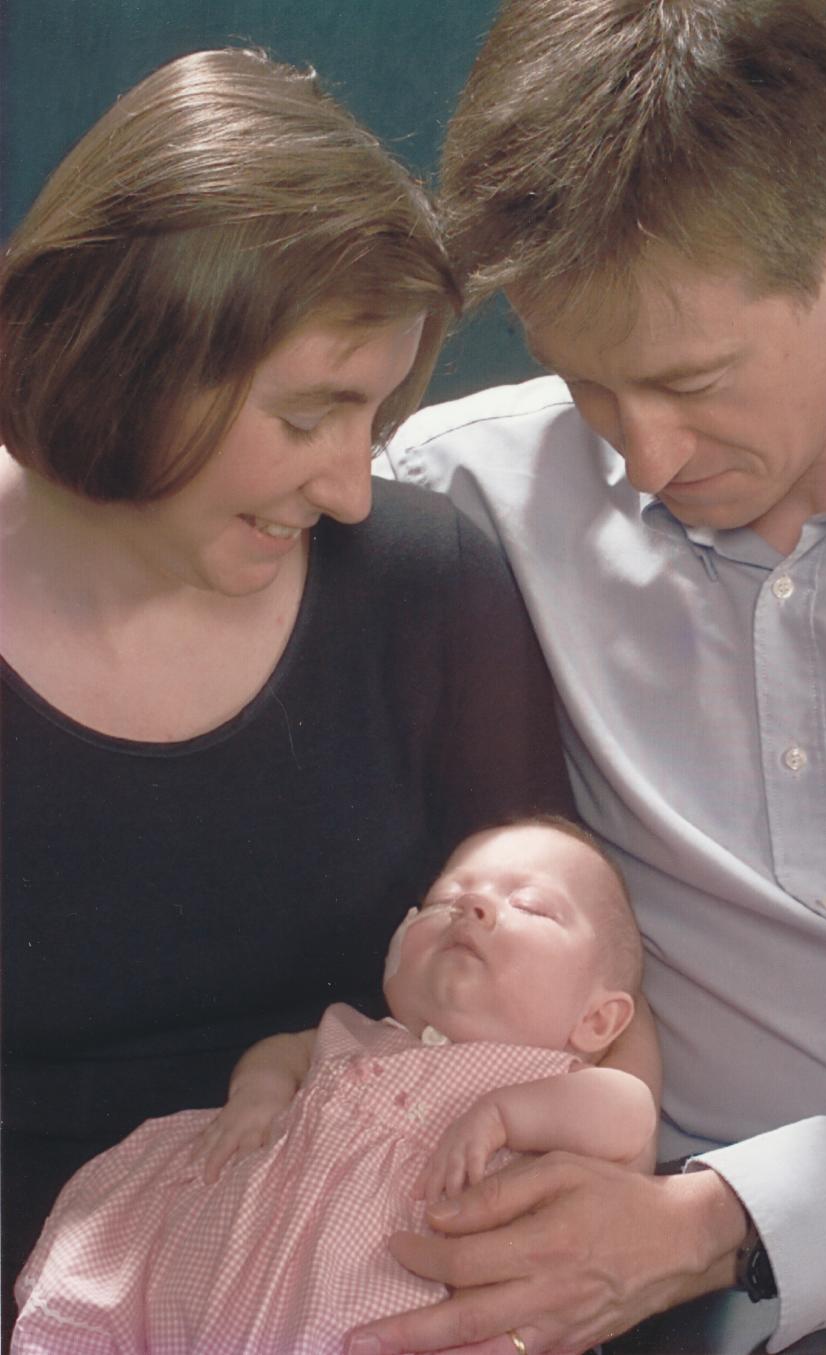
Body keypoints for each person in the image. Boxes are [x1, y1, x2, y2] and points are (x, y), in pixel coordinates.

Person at [351, 2, 826, 1354]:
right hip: (704, 1312)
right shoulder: (474, 494)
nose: (641, 452)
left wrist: (715, 1218)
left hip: (695, 1249)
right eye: (589, 385)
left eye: (691, 379)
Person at [0, 46, 577, 1343]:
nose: (353, 489)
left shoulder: (431, 583)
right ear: (135, 351)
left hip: (368, 1279)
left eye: (372, 419)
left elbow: (577, 1001)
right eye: (313, 412)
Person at [11, 818, 657, 1354]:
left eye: (532, 905)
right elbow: (278, 1054)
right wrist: (258, 1096)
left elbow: (628, 1113)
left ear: (597, 1018)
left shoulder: (551, 1076)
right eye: (446, 898)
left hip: (390, 1296)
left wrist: (504, 1116)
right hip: (233, 1260)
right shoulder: (353, 1030)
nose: (476, 904)